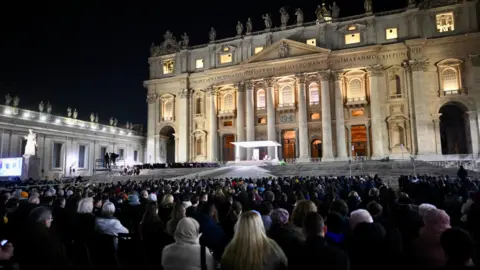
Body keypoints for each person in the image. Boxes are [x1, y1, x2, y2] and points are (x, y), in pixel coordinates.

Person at [221, 211, 287, 270]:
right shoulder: (272, 246)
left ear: (238, 226)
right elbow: (283, 264)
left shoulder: (230, 250)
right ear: (260, 225)